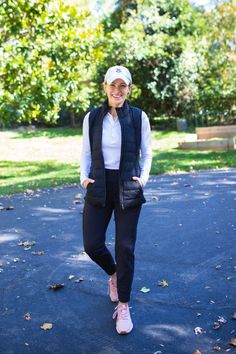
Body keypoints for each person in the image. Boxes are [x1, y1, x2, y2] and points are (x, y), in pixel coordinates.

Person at [80, 65, 152, 335]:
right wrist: (83, 178)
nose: (117, 90)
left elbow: (147, 151)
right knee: (92, 244)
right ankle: (114, 274)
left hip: (127, 186)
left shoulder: (138, 117)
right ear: (105, 87)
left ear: (129, 89)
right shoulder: (92, 117)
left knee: (125, 248)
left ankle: (123, 305)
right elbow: (85, 153)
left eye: (123, 86)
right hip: (99, 185)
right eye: (113, 85)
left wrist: (143, 178)